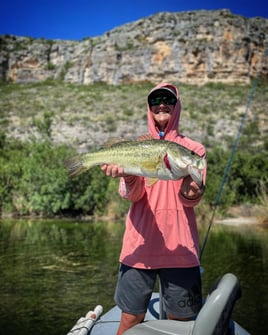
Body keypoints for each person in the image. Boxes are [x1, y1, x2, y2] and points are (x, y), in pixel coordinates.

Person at [101, 82, 206, 335]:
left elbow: (189, 199)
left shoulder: (194, 150)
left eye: (168, 100)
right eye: (156, 100)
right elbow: (133, 195)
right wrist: (126, 176)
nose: (161, 104)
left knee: (181, 324)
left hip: (181, 250)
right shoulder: (138, 145)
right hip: (139, 248)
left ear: (176, 106)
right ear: (149, 108)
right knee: (129, 319)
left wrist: (194, 187)